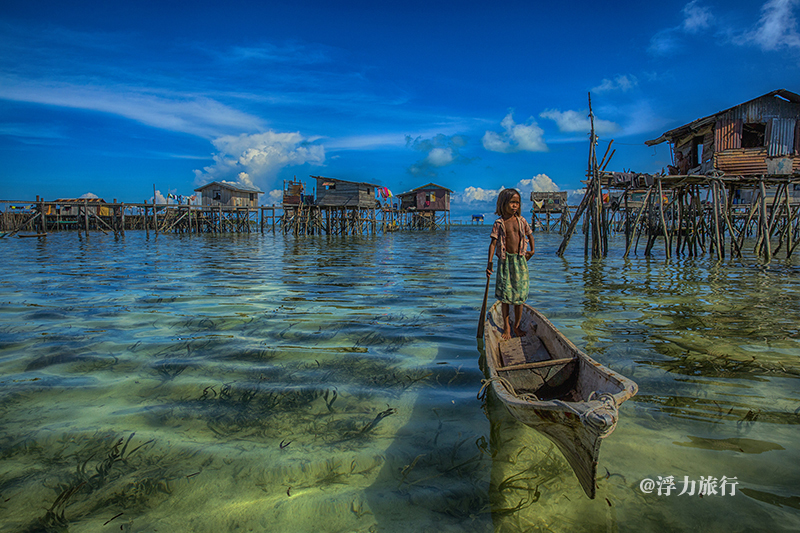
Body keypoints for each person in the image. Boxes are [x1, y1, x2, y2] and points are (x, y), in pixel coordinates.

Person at [486, 189, 534, 340]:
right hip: (505, 262)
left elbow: (530, 235)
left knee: (519, 297)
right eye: (512, 202)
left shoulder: (522, 221)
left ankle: (517, 326)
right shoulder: (499, 223)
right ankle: (506, 327)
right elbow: (493, 244)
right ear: (503, 204)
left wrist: (532, 251)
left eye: (517, 203)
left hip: (520, 261)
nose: (514, 206)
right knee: (505, 297)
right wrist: (489, 263)